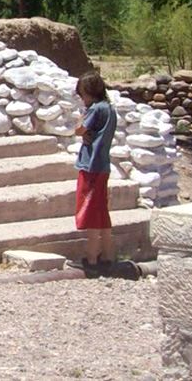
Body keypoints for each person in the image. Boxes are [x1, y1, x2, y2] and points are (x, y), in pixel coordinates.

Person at [69, 72, 117, 276]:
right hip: (103, 165)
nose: (82, 99)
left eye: (83, 95)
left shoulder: (95, 109)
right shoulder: (110, 110)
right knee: (101, 212)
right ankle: (107, 255)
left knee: (89, 211)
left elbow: (79, 129)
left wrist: (81, 116)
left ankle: (91, 257)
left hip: (91, 166)